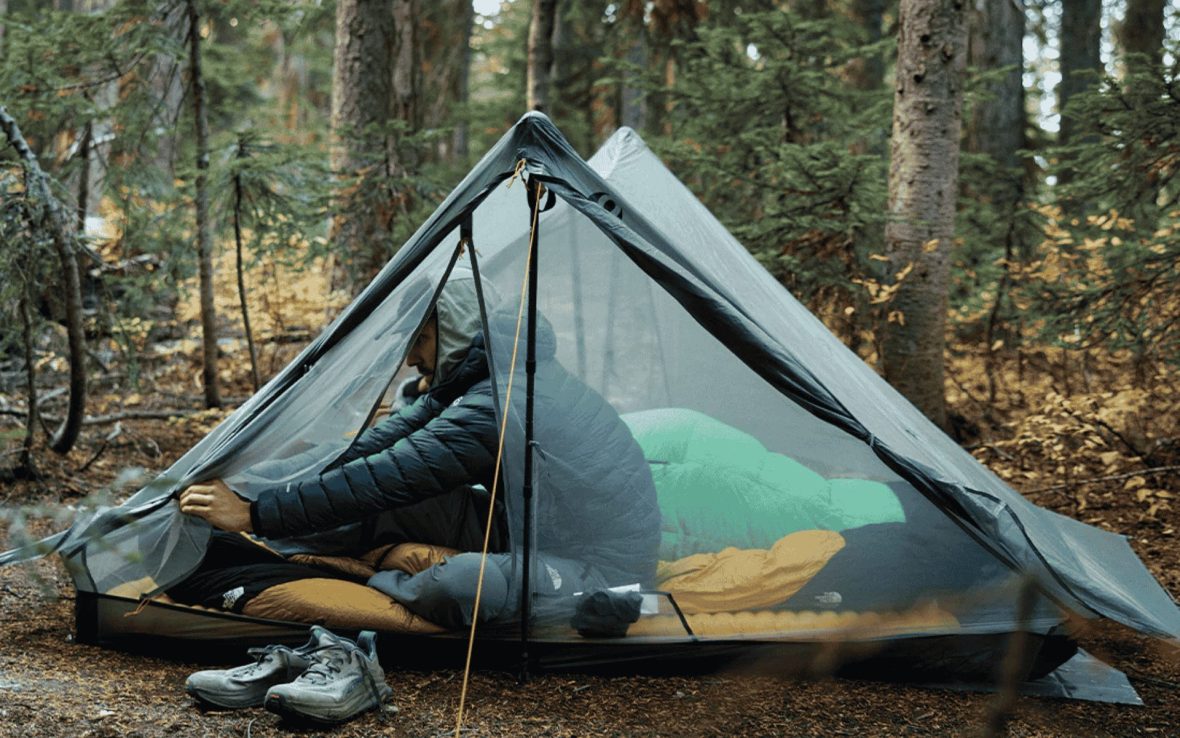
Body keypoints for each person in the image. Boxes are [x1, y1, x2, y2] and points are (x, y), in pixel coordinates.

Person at [178, 268, 660, 629]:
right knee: (391, 501)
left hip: (597, 568)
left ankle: (366, 581)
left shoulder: (499, 405)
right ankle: (241, 549)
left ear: (454, 328)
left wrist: (257, 512)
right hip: (522, 526)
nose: (412, 358)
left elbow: (385, 475)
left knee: (458, 584)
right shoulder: (478, 385)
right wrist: (249, 485)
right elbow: (364, 450)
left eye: (422, 339)